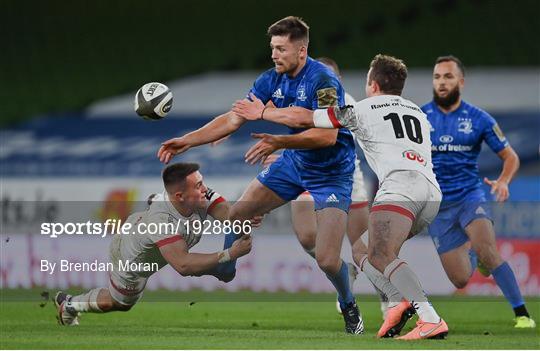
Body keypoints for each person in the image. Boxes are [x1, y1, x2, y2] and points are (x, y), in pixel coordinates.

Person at [157, 17, 364, 334]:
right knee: (237, 214)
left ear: (302, 50)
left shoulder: (325, 81)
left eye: (281, 48)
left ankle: (349, 303)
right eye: (272, 48)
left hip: (332, 174)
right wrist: (189, 140)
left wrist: (275, 132)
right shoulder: (271, 79)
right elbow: (232, 118)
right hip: (295, 163)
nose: (275, 54)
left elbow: (326, 138)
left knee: (325, 259)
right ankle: (227, 266)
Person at [233, 54, 449, 340]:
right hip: (430, 191)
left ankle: (430, 318)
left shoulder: (361, 109)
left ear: (372, 84)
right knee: (363, 252)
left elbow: (308, 117)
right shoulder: (417, 112)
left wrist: (262, 113)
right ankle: (399, 301)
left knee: (381, 254)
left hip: (399, 188)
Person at [55, 163, 254, 326]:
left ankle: (223, 270)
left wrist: (243, 218)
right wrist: (229, 254)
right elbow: (184, 265)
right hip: (130, 259)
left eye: (202, 182)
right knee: (120, 303)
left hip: (149, 231)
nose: (204, 189)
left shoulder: (198, 195)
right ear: (180, 196)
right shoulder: (161, 222)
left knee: (224, 269)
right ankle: (71, 305)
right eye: (198, 186)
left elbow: (228, 214)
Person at [422, 55, 535, 328]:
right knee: (460, 278)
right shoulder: (420, 117)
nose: (442, 82)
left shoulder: (479, 118)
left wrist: (504, 180)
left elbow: (511, 157)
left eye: (448, 76)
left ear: (461, 81)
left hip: (471, 195)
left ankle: (522, 314)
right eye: (437, 77)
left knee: (488, 248)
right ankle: (473, 255)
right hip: (437, 205)